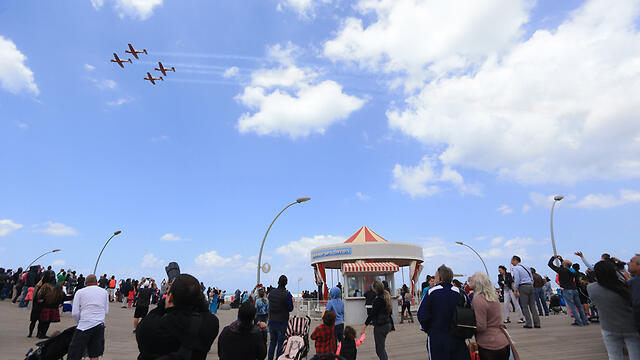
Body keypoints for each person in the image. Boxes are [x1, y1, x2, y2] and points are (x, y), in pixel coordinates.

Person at [136, 274, 220, 359]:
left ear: (170, 297)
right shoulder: (210, 324)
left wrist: (165, 302)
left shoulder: (154, 326)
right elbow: (205, 311)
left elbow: (143, 329)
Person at [588, 261, 640, 360]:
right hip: (631, 327)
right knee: (636, 356)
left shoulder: (591, 288)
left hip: (608, 328)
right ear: (614, 271)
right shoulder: (626, 286)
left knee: (614, 356)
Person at [417, 264, 470, 360]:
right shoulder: (461, 293)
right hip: (458, 338)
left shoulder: (431, 292)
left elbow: (422, 315)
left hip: (437, 337)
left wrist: (429, 329)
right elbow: (469, 313)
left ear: (440, 278)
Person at [470, 272, 512, 360]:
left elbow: (481, 326)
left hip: (488, 345)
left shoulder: (478, 300)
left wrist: (468, 327)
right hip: (503, 341)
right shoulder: (494, 297)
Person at [67, 275, 109, 360]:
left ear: (86, 283)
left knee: (74, 353)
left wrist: (79, 322)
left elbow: (75, 312)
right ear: (97, 282)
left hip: (84, 325)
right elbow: (106, 311)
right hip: (99, 325)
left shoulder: (80, 292)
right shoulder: (104, 292)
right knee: (94, 354)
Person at [548, 255, 589, 326]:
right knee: (579, 306)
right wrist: (561, 260)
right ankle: (585, 321)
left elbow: (550, 264)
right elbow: (567, 266)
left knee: (572, 307)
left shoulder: (561, 271)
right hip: (574, 289)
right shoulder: (572, 271)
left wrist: (553, 258)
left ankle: (578, 321)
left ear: (563, 265)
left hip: (567, 289)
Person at [363, 279, 393, 360]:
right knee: (381, 348)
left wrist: (365, 325)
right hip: (386, 324)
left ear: (374, 288)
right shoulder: (385, 297)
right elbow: (390, 312)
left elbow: (372, 314)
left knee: (379, 349)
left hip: (381, 326)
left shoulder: (378, 300)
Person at [267, 275, 294, 360]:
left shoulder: (271, 293)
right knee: (280, 343)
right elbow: (290, 308)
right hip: (282, 321)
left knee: (272, 342)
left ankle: (270, 358)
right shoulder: (287, 294)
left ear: (278, 282)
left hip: (272, 320)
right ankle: (278, 358)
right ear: (286, 283)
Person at [511, 256, 540, 329]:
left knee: (524, 306)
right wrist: (531, 284)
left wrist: (515, 289)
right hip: (530, 285)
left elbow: (517, 279)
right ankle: (537, 323)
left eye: (512, 261)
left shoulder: (516, 268)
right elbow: (531, 277)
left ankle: (529, 323)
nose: (511, 262)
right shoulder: (526, 267)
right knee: (532, 305)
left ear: (515, 260)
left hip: (523, 286)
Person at [37, 271, 65, 339]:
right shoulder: (54, 286)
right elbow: (62, 295)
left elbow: (38, 295)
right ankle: (42, 334)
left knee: (42, 321)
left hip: (43, 305)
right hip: (51, 306)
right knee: (46, 321)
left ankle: (40, 333)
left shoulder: (43, 285)